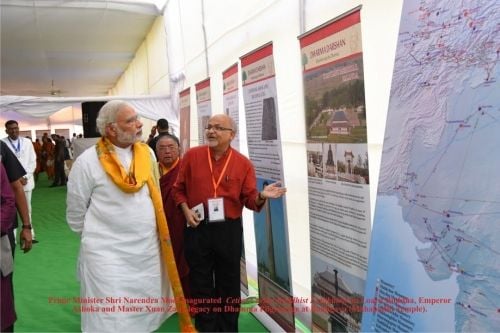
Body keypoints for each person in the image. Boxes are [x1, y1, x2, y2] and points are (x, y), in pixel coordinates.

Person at [66, 100, 194, 333]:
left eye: (137, 118)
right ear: (111, 129)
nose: (139, 124)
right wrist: (98, 238)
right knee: (109, 313)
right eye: (131, 120)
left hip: (146, 250)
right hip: (106, 253)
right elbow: (75, 212)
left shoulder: (147, 154)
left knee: (144, 312)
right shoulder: (87, 162)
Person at [172, 114, 286, 332]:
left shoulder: (243, 164)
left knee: (229, 284)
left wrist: (262, 195)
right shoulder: (192, 156)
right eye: (209, 127)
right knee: (201, 283)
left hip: (228, 231)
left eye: (218, 128)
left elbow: (250, 200)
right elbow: (178, 190)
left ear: (231, 135)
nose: (211, 131)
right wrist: (186, 211)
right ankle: (206, 328)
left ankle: (227, 329)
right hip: (197, 227)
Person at [156, 134, 190, 299]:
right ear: (156, 152)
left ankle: (185, 298)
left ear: (179, 149)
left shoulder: (186, 169)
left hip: (180, 222)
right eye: (162, 148)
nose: (167, 152)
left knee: (183, 260)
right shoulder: (151, 170)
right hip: (157, 224)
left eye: (171, 147)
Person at [2, 120, 37, 241]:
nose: (14, 130)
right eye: (11, 129)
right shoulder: (3, 143)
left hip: (26, 182)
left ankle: (30, 234)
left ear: (19, 128)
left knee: (27, 208)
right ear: (6, 130)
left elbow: (33, 160)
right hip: (10, 183)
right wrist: (16, 177)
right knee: (10, 211)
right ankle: (14, 237)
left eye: (16, 128)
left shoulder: (27, 142)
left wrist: (25, 176)